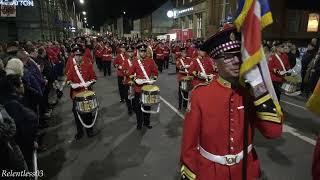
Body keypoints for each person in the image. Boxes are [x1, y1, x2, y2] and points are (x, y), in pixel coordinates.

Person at [180, 25, 283, 180]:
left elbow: (273, 132)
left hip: (246, 170)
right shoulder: (200, 94)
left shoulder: (251, 91)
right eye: (228, 56)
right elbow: (189, 145)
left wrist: (258, 86)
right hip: (211, 172)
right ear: (215, 63)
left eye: (238, 55)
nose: (236, 60)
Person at [66, 44, 98, 140]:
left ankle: (89, 130)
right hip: (76, 94)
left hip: (87, 93)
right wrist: (72, 84)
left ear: (82, 56)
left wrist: (89, 82)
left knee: (88, 113)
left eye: (80, 55)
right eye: (76, 55)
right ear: (74, 56)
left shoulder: (88, 65)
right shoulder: (72, 67)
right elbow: (68, 80)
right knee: (77, 114)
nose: (78, 57)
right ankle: (79, 131)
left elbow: (94, 78)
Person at [129, 44, 158, 130]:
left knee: (147, 106)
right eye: (141, 51)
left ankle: (146, 122)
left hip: (148, 88)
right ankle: (139, 123)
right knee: (138, 108)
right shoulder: (135, 61)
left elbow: (155, 72)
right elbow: (130, 73)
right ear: (138, 52)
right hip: (138, 89)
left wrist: (153, 79)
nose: (143, 53)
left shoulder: (151, 61)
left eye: (144, 51)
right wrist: (135, 80)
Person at [122, 45, 135, 115]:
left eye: (132, 52)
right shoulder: (125, 61)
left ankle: (134, 107)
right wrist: (130, 73)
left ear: (134, 52)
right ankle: (129, 109)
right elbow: (124, 71)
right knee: (128, 97)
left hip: (135, 81)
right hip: (128, 81)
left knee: (135, 96)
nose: (130, 53)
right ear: (127, 53)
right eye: (129, 52)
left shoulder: (136, 60)